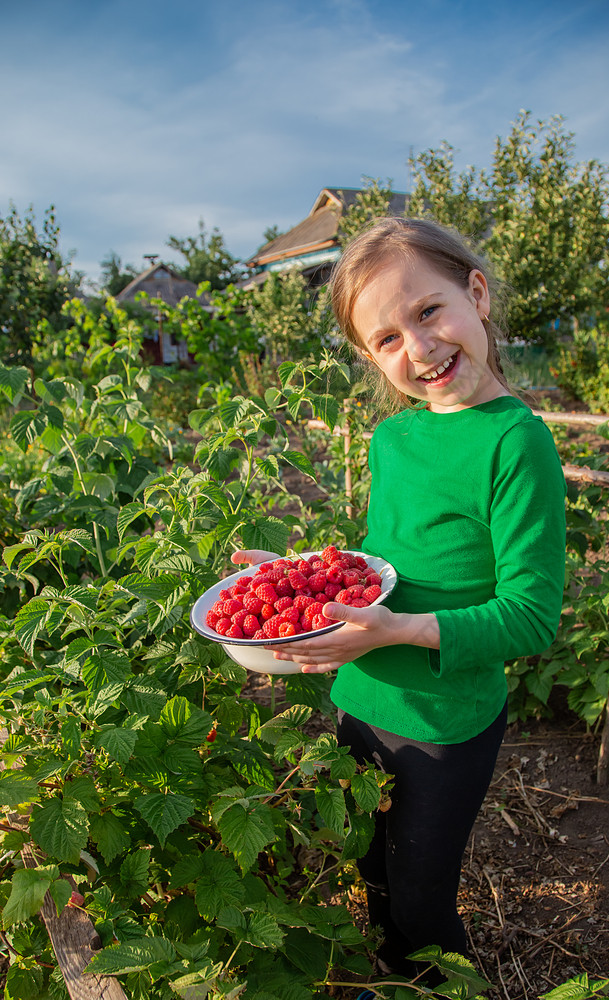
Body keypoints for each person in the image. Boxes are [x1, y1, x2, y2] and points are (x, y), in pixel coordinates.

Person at [232, 217, 566, 987]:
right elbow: (382, 566)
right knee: (372, 876)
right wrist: (295, 577)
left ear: (474, 295)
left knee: (421, 905)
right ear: (368, 357)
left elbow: (529, 615)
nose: (417, 349)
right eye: (385, 338)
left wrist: (392, 631)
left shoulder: (513, 442)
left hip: (444, 725)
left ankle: (443, 986)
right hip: (361, 697)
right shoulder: (393, 439)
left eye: (427, 312)